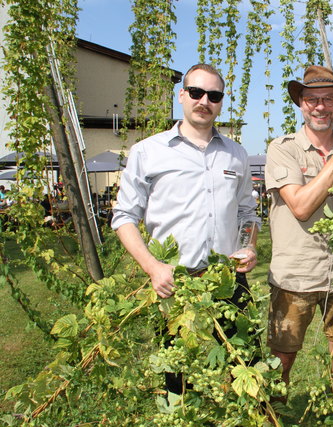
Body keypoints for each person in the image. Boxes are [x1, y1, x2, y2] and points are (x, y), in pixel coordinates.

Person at [111, 63, 260, 394]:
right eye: (196, 92)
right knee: (178, 381)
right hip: (174, 284)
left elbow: (248, 213)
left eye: (214, 95)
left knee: (247, 367)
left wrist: (249, 245)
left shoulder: (236, 154)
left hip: (229, 281)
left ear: (221, 102)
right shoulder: (148, 152)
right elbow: (123, 216)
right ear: (182, 95)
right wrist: (152, 267)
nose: (204, 101)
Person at [265, 65, 333, 418]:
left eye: (328, 99)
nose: (320, 107)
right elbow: (301, 206)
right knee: (282, 359)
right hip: (295, 275)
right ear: (300, 104)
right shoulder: (283, 148)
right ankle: (273, 418)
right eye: (311, 100)